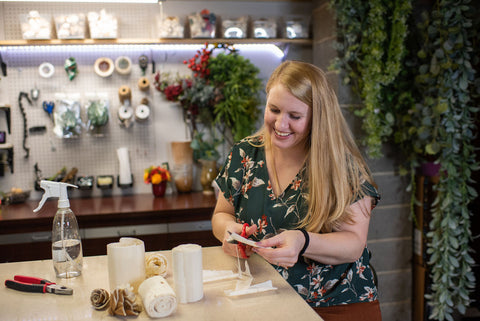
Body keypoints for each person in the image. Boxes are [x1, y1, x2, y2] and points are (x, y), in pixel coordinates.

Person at [211, 60, 382, 321]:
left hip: (336, 304)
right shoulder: (245, 153)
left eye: (295, 116)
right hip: (262, 298)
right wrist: (228, 231)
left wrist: (304, 241)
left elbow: (353, 245)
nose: (280, 124)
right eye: (274, 109)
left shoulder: (342, 166)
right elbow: (221, 214)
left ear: (316, 118)